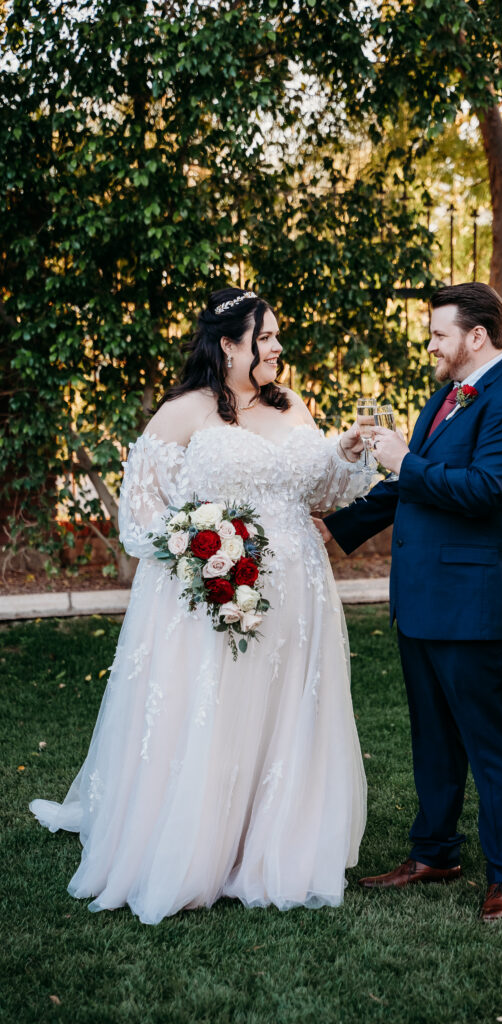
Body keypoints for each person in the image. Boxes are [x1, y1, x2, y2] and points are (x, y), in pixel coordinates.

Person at [30, 287, 373, 924]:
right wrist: (205, 548)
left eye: (275, 336)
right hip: (220, 594)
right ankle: (203, 843)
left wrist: (346, 453)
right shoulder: (183, 413)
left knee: (287, 710)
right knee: (223, 712)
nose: (277, 347)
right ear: (228, 344)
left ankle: (276, 839)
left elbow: (319, 489)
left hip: (300, 595)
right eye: (265, 337)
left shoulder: (292, 404)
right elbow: (141, 517)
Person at [318, 282, 502, 921]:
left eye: (439, 334)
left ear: (477, 336)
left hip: (476, 603)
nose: (431, 345)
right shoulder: (447, 397)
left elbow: (486, 489)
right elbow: (413, 488)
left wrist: (402, 459)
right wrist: (335, 529)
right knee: (433, 738)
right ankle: (435, 852)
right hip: (421, 598)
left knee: (492, 743)